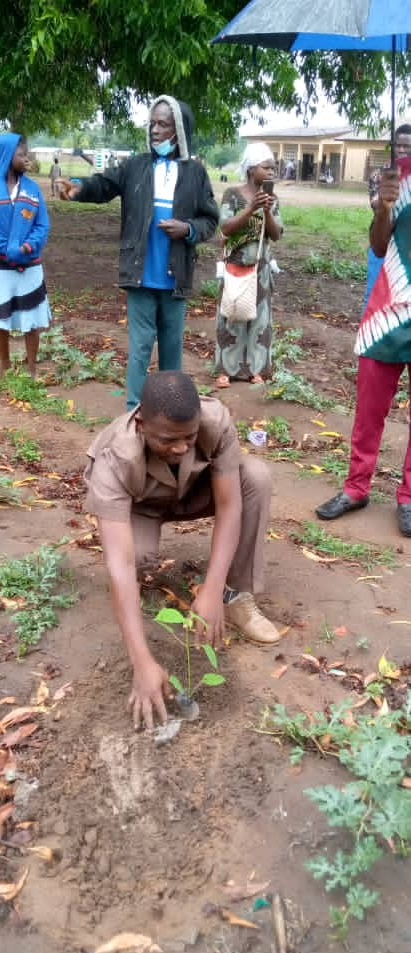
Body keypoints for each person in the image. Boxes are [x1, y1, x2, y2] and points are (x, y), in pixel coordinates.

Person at [84, 370, 280, 730]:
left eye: (188, 437)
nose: (180, 447)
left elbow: (230, 506)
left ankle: (236, 594)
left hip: (194, 492)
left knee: (255, 477)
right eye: (168, 440)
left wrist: (213, 589)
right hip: (141, 507)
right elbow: (119, 564)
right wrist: (142, 662)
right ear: (141, 422)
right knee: (138, 562)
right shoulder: (114, 456)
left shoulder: (215, 421)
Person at [57, 96, 218, 410]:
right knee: (141, 347)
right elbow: (103, 185)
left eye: (163, 124)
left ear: (180, 131)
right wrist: (78, 188)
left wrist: (187, 229)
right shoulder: (136, 166)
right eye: (152, 124)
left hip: (175, 280)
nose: (155, 130)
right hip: (140, 274)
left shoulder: (195, 173)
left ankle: (170, 413)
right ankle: (133, 412)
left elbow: (210, 220)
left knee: (171, 352)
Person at [316, 152, 411, 535]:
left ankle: (408, 497)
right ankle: (356, 488)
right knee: (369, 409)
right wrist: (384, 209)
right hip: (388, 310)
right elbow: (377, 246)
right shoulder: (397, 174)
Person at [0, 133, 51, 378]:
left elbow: (42, 225)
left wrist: (27, 247)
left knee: (32, 317)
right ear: (7, 155)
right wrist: (6, 248)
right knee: (0, 315)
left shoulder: (32, 189)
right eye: (21, 155)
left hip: (30, 266)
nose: (26, 159)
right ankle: (4, 364)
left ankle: (31, 368)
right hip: (1, 266)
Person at [214, 143, 283, 389]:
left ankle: (257, 369)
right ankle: (226, 369)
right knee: (231, 314)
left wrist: (267, 212)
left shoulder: (272, 200)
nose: (271, 172)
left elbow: (276, 235)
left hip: (261, 268)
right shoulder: (232, 194)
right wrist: (250, 209)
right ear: (251, 169)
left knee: (260, 321)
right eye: (266, 167)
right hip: (236, 264)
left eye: (273, 168)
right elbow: (225, 227)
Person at [364, 125, 411, 309]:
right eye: (397, 145)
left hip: (405, 248)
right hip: (383, 242)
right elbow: (375, 205)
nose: (401, 150)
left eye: (407, 146)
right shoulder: (381, 175)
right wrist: (385, 200)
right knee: (374, 295)